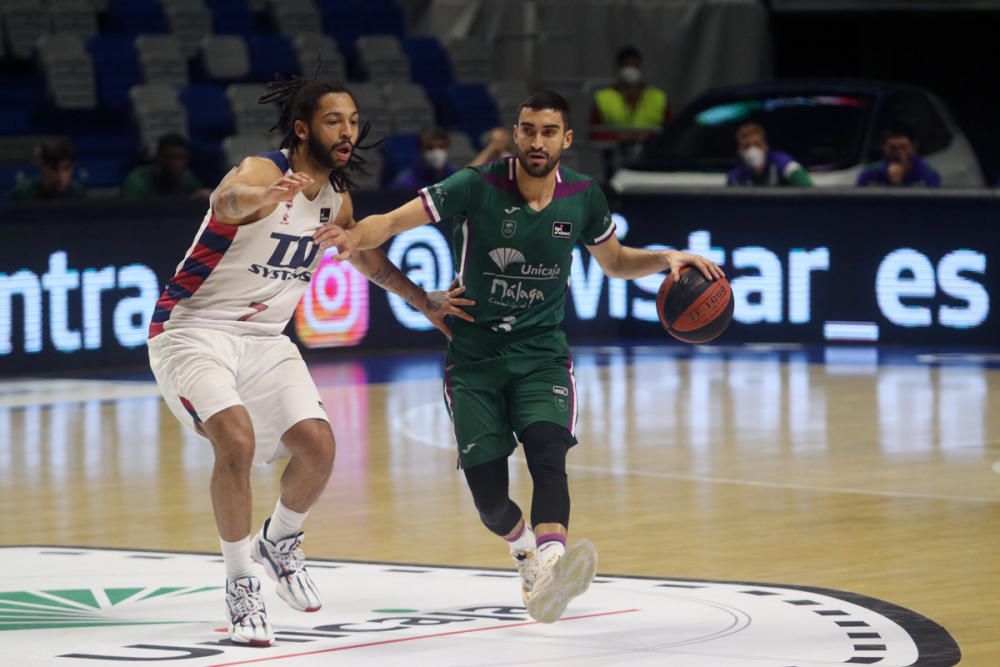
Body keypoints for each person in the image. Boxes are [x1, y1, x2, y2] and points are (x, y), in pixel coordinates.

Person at [315, 91, 723, 624]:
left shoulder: (584, 197)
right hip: (474, 357)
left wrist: (667, 256)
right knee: (490, 501)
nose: (537, 141)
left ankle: (554, 567)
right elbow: (389, 223)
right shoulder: (474, 186)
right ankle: (525, 551)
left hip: (541, 355)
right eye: (528, 130)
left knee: (548, 455)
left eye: (548, 132)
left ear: (566, 139)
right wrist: (351, 236)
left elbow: (617, 261)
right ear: (515, 134)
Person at [147, 76, 472, 646]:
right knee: (238, 441)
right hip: (191, 329)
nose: (347, 131)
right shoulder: (260, 172)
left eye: (351, 120)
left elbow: (366, 260)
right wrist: (261, 200)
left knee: (320, 446)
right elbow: (223, 201)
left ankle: (279, 541)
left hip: (268, 338)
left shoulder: (336, 198)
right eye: (332, 121)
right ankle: (241, 580)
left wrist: (425, 303)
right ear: (302, 129)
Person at [120, 133, 212, 200]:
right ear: (158, 157)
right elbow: (133, 211)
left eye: (182, 157)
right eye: (171, 157)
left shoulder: (187, 177)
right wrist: (187, 199)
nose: (176, 162)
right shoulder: (138, 179)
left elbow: (200, 195)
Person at [726, 123, 812, 187]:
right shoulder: (735, 176)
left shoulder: (781, 161)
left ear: (766, 146)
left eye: (757, 144)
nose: (753, 150)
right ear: (739, 151)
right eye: (746, 146)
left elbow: (806, 187)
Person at [857, 121, 941, 187]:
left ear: (914, 147)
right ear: (883, 147)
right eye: (892, 148)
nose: (898, 152)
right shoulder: (869, 174)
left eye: (903, 147)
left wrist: (897, 183)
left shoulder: (927, 174)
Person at [11, 137, 86, 201]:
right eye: (54, 168)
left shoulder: (78, 193)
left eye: (66, 168)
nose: (60, 175)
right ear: (43, 166)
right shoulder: (23, 193)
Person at [390, 126, 457, 190]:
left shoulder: (456, 179)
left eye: (441, 146)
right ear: (420, 150)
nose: (436, 152)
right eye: (429, 147)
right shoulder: (403, 184)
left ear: (448, 148)